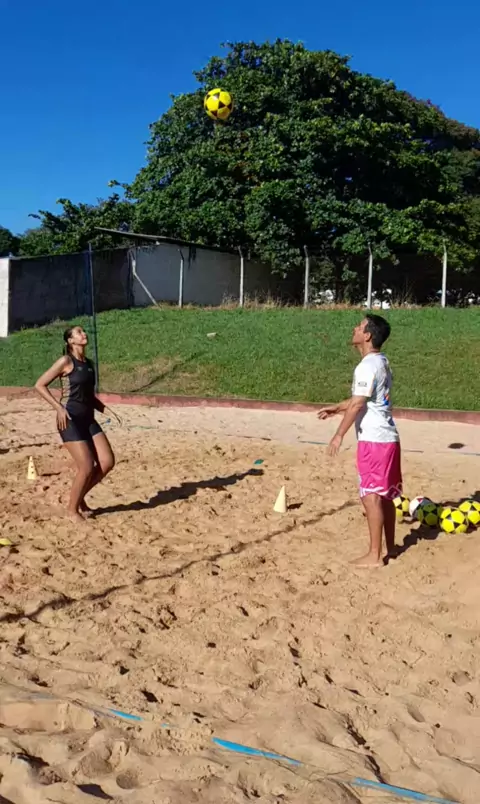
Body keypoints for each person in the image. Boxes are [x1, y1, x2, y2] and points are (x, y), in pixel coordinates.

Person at [318, 314, 402, 567]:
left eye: (360, 326)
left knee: (370, 496)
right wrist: (337, 408)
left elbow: (357, 404)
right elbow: (364, 399)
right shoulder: (382, 361)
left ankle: (374, 555)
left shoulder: (366, 366)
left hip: (373, 441)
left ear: (367, 336)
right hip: (388, 439)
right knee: (385, 495)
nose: (355, 328)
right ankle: (390, 547)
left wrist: (338, 435)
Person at [35, 325, 118, 523]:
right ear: (70, 341)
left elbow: (88, 396)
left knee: (107, 462)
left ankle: (79, 498)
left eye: (83, 331)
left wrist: (107, 410)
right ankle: (72, 510)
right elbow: (39, 385)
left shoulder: (89, 364)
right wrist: (58, 408)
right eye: (79, 332)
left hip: (88, 419)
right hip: (70, 419)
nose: (84, 334)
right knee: (87, 466)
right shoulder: (66, 361)